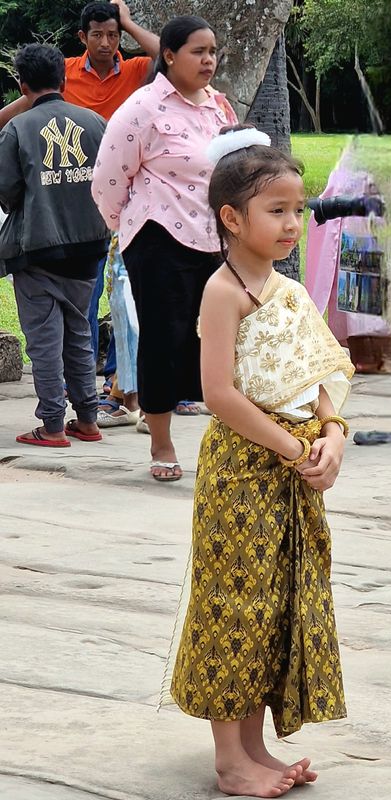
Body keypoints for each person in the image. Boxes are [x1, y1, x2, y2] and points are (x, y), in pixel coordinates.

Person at [160, 125, 355, 798]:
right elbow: (219, 394)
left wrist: (332, 431)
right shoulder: (225, 292)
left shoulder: (289, 291)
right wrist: (296, 446)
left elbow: (325, 367)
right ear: (231, 217)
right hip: (245, 470)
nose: (293, 223)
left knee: (276, 603)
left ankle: (255, 744)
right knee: (234, 602)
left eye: (298, 209)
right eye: (277, 210)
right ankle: (229, 759)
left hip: (293, 468)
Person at [92, 15, 237, 481]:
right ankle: (161, 442)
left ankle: (231, 435)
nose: (209, 60)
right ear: (169, 55)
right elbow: (108, 180)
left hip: (214, 239)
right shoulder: (143, 108)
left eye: (213, 51)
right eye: (198, 51)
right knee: (164, 337)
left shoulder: (219, 109)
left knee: (218, 339)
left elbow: (235, 170)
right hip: (157, 239)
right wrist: (129, 230)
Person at [0, 2, 160, 389]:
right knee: (81, 302)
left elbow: (164, 52)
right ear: (82, 38)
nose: (106, 43)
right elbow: (33, 100)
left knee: (126, 293)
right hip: (70, 198)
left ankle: (120, 381)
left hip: (123, 196)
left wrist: (129, 23)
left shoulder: (136, 69)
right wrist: (34, 103)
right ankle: (84, 384)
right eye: (97, 35)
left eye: (113, 35)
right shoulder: (66, 72)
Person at [0, 44, 108, 446]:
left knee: (44, 340)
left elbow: (6, 189)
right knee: (79, 332)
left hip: (39, 249)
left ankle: (51, 425)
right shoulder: (95, 121)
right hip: (89, 247)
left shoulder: (18, 128)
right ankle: (88, 419)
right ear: (64, 79)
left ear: (22, 84)